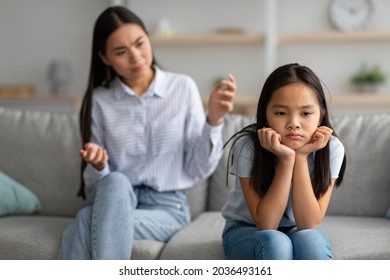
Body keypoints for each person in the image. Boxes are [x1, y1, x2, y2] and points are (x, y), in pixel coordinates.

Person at [57, 6, 236, 260]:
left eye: (140, 44)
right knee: (116, 182)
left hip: (166, 209)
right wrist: (98, 165)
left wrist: (214, 120)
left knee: (86, 221)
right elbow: (97, 185)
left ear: (148, 38)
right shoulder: (99, 101)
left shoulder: (182, 88)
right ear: (105, 58)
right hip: (115, 198)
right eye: (121, 52)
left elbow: (198, 169)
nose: (136, 57)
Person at [221, 63, 347, 260]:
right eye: (281, 113)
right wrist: (287, 159)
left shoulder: (332, 148)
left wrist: (302, 157)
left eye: (306, 113)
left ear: (321, 114)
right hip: (247, 229)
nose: (293, 123)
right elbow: (266, 224)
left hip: (297, 229)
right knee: (277, 242)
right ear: (265, 114)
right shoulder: (248, 145)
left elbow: (308, 224)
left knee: (311, 241)